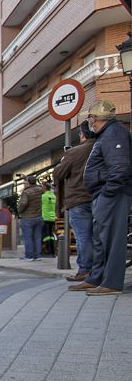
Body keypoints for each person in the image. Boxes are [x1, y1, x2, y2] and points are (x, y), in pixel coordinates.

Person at [71, 100, 132, 296]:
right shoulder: (107, 134)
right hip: (104, 194)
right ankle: (96, 278)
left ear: (95, 118)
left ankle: (112, 283)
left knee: (112, 239)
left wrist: (107, 192)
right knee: (101, 238)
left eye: (90, 118)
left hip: (112, 194)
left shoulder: (114, 133)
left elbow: (120, 167)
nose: (90, 122)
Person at [54, 121, 97, 282]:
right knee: (99, 236)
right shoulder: (101, 147)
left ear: (83, 135)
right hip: (100, 198)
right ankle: (100, 269)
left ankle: (85, 270)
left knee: (83, 236)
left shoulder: (75, 152)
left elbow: (58, 174)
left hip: (78, 200)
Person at [17, 175, 44, 261]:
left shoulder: (26, 192)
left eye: (26, 182)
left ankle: (29, 256)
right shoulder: (41, 190)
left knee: (28, 237)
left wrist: (19, 211)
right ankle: (37, 255)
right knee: (37, 236)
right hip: (39, 216)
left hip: (28, 217)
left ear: (28, 182)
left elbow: (23, 203)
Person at [41, 182, 57, 257]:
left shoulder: (43, 196)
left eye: (42, 187)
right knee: (51, 235)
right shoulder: (53, 196)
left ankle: (47, 251)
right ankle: (53, 251)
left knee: (45, 236)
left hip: (45, 217)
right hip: (52, 218)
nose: (41, 188)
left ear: (45, 188)